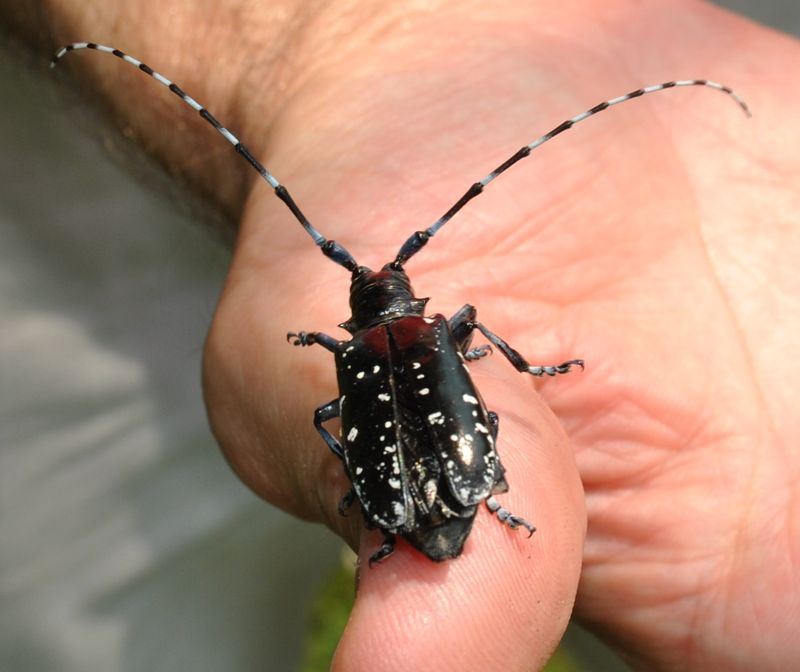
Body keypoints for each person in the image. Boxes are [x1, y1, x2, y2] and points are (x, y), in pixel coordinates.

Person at [4, 1, 798, 669]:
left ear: (355, 307)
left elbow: (337, 419)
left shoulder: (348, 350)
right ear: (410, 297)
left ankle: (403, 507)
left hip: (400, 497)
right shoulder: (433, 332)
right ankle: (477, 499)